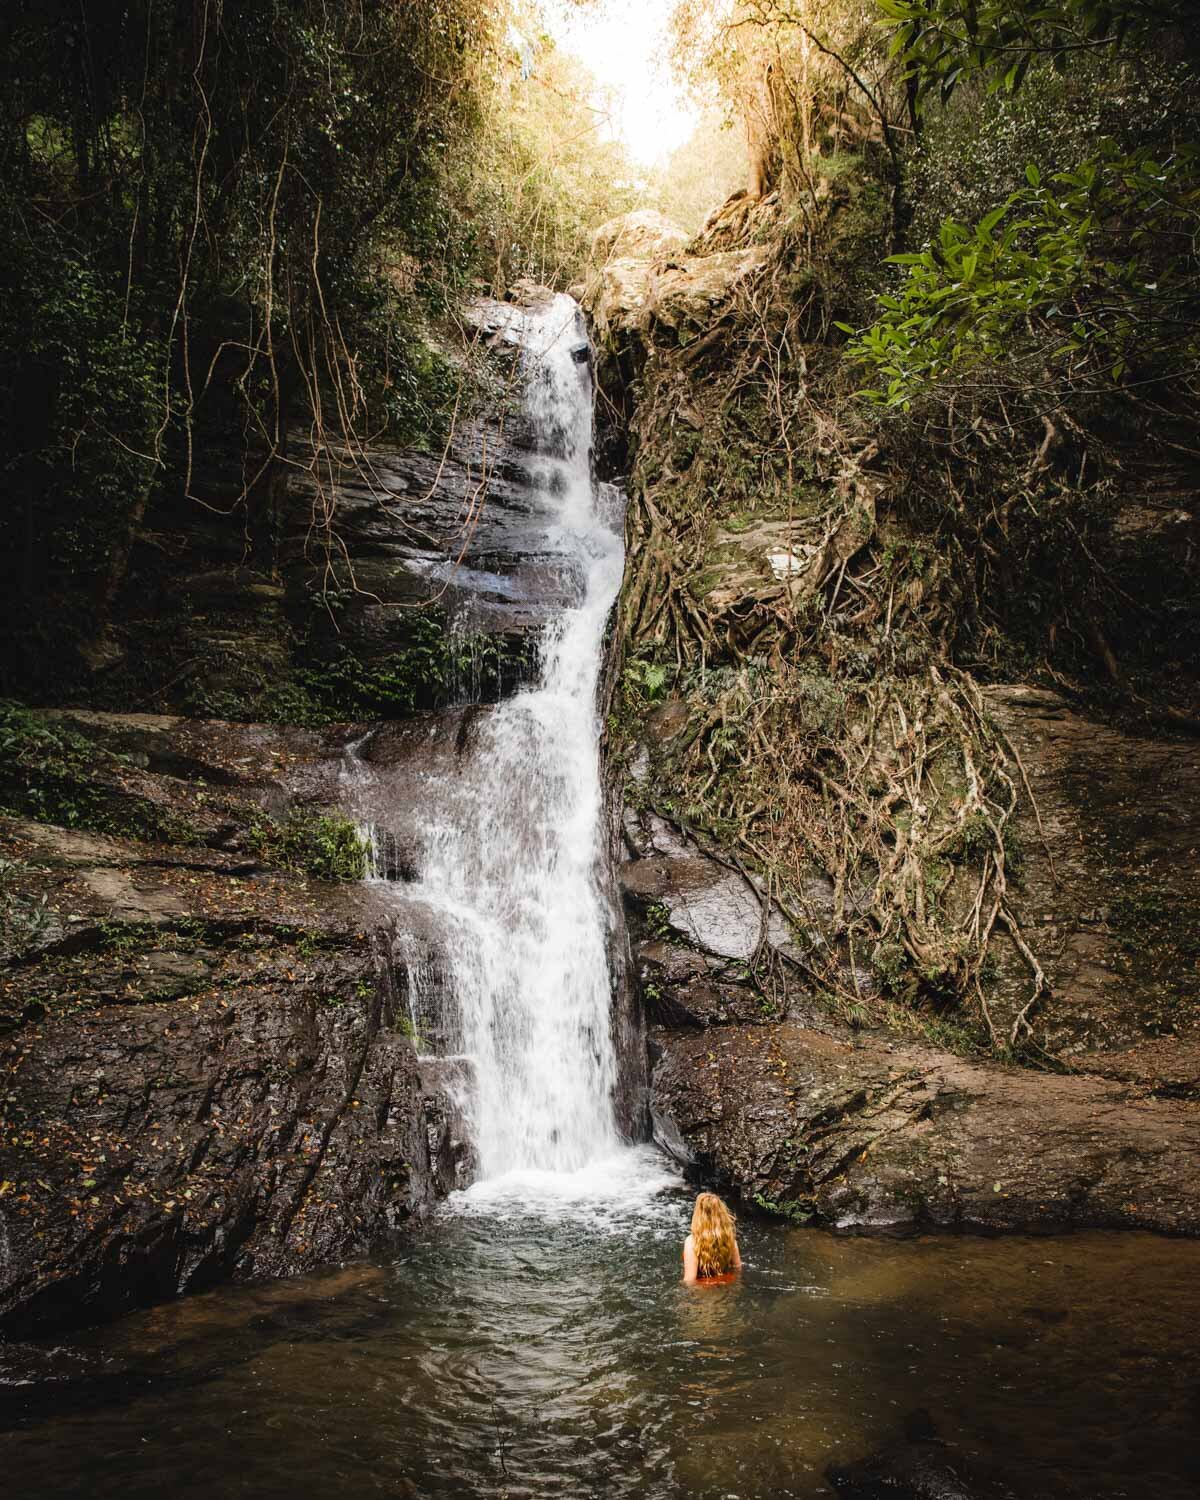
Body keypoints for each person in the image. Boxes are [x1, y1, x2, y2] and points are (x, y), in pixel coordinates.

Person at [682, 1191, 742, 1285]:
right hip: (725, 1286)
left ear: (698, 1214)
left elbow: (689, 1280)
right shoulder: (730, 1238)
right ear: (721, 1213)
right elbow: (737, 1268)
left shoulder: (692, 1241)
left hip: (703, 1290)